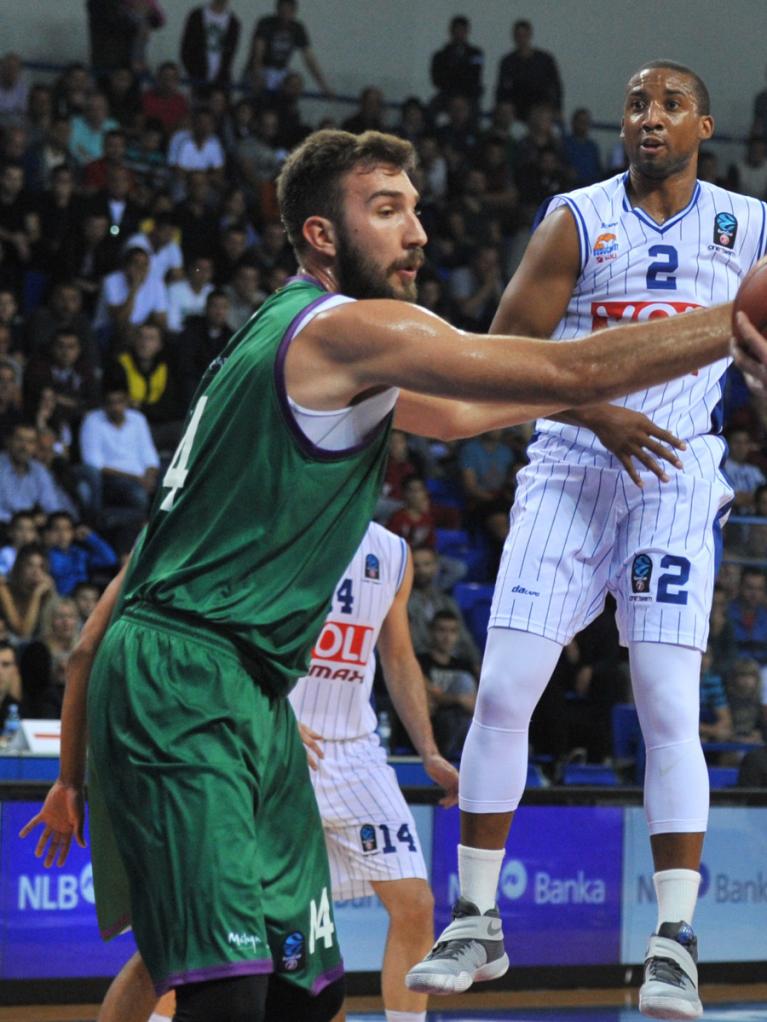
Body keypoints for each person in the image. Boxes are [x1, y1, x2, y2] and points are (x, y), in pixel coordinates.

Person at [20, 127, 752, 1022]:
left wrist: (581, 404)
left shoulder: (278, 330)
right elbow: (566, 362)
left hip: (250, 691)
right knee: (226, 992)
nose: (418, 235)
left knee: (306, 987)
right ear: (323, 235)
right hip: (185, 675)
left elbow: (451, 414)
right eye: (387, 211)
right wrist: (732, 323)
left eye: (415, 209)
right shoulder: (349, 327)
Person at [407, 61, 767, 1022]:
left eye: (669, 105)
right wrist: (598, 411)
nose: (648, 118)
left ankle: (675, 943)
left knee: (663, 704)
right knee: (502, 688)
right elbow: (503, 355)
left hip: (678, 473)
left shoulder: (752, 227)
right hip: (570, 460)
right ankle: (476, 918)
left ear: (704, 123)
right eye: (636, 103)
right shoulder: (576, 215)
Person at [245, 0, 333, 97]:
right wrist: (258, 74)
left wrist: (323, 86)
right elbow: (258, 52)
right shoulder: (265, 23)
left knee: (293, 84)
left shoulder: (297, 28)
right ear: (277, 10)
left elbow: (309, 59)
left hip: (281, 71)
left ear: (294, 12)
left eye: (289, 11)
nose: (285, 14)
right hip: (263, 69)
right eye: (283, 10)